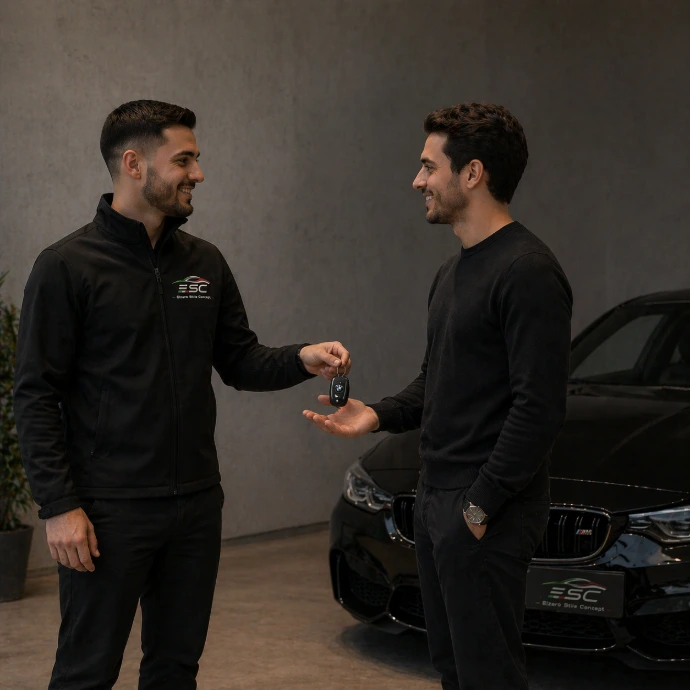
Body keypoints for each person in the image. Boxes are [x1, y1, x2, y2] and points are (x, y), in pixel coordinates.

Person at [13, 99, 351, 690]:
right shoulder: (66, 266)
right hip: (108, 510)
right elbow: (36, 394)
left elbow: (240, 360)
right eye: (184, 160)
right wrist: (59, 506)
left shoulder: (204, 262)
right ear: (134, 164)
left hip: (195, 505)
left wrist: (302, 357)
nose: (198, 173)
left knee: (176, 670)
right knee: (86, 673)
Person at [304, 102, 572, 689]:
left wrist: (479, 506)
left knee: (487, 674)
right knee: (452, 667)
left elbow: (540, 407)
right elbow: (436, 381)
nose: (417, 180)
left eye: (429, 166)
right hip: (436, 499)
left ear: (472, 173)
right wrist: (374, 415)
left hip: (485, 508)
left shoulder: (527, 271)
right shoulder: (451, 274)